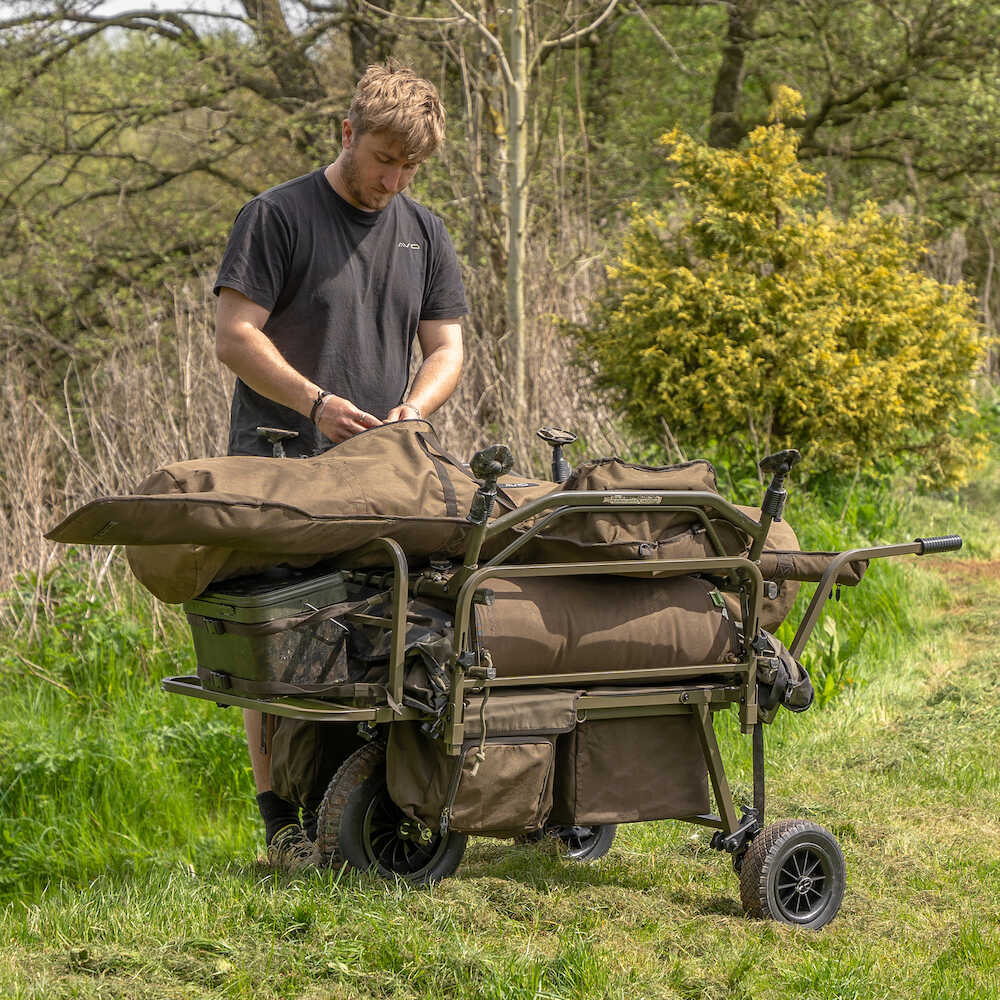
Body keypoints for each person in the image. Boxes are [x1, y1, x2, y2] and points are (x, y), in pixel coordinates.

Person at [212, 61, 467, 871]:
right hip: (278, 466)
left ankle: (364, 809)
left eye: (409, 167)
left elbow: (448, 346)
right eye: (383, 158)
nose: (393, 179)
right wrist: (314, 402)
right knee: (274, 642)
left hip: (383, 472)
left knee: (381, 636)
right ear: (348, 133)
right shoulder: (275, 216)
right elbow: (235, 336)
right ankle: (279, 824)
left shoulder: (423, 232)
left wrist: (416, 410)